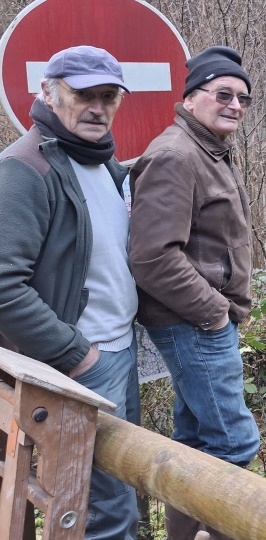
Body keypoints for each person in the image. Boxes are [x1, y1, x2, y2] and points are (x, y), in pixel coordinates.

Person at [0, 46, 138, 540]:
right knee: (101, 512)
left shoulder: (103, 164)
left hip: (119, 350)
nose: (97, 107)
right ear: (48, 93)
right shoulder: (25, 168)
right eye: (83, 95)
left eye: (108, 96)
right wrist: (80, 357)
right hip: (80, 367)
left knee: (119, 493)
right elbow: (2, 287)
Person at [128, 46, 260, 540]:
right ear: (190, 97)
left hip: (198, 321)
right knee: (233, 442)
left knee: (195, 441)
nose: (236, 106)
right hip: (193, 323)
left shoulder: (209, 151)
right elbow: (152, 257)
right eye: (224, 94)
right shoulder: (177, 156)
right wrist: (215, 314)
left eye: (244, 99)